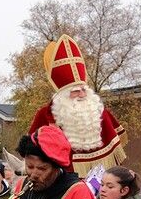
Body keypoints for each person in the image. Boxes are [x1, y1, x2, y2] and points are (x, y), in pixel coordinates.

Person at [29, 34, 127, 175]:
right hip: (62, 181)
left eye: (83, 90)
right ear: (62, 95)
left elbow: (116, 154)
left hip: (102, 181)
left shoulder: (98, 110)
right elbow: (33, 154)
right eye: (75, 91)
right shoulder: (45, 115)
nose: (81, 94)